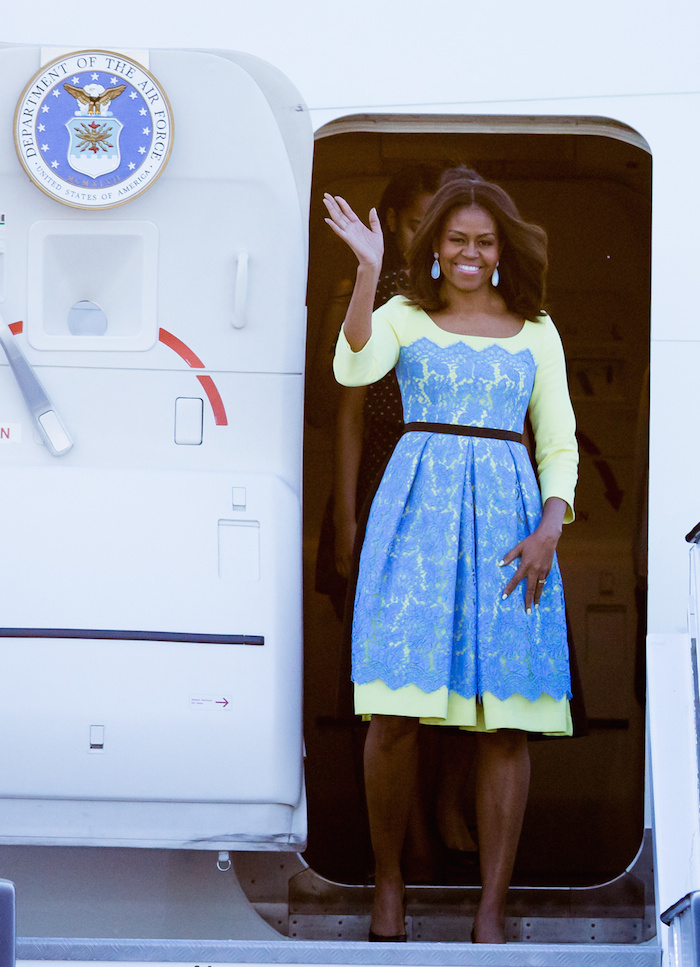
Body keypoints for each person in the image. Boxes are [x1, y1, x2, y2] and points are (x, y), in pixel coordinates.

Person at [324, 169, 578, 944]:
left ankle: (491, 908)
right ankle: (389, 883)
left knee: (506, 724)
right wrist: (368, 273)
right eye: (456, 239)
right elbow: (354, 366)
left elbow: (560, 440)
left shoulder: (537, 328)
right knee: (396, 714)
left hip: (511, 529)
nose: (470, 252)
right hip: (415, 525)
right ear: (435, 247)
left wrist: (551, 526)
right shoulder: (402, 314)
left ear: (502, 251)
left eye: (484, 241)